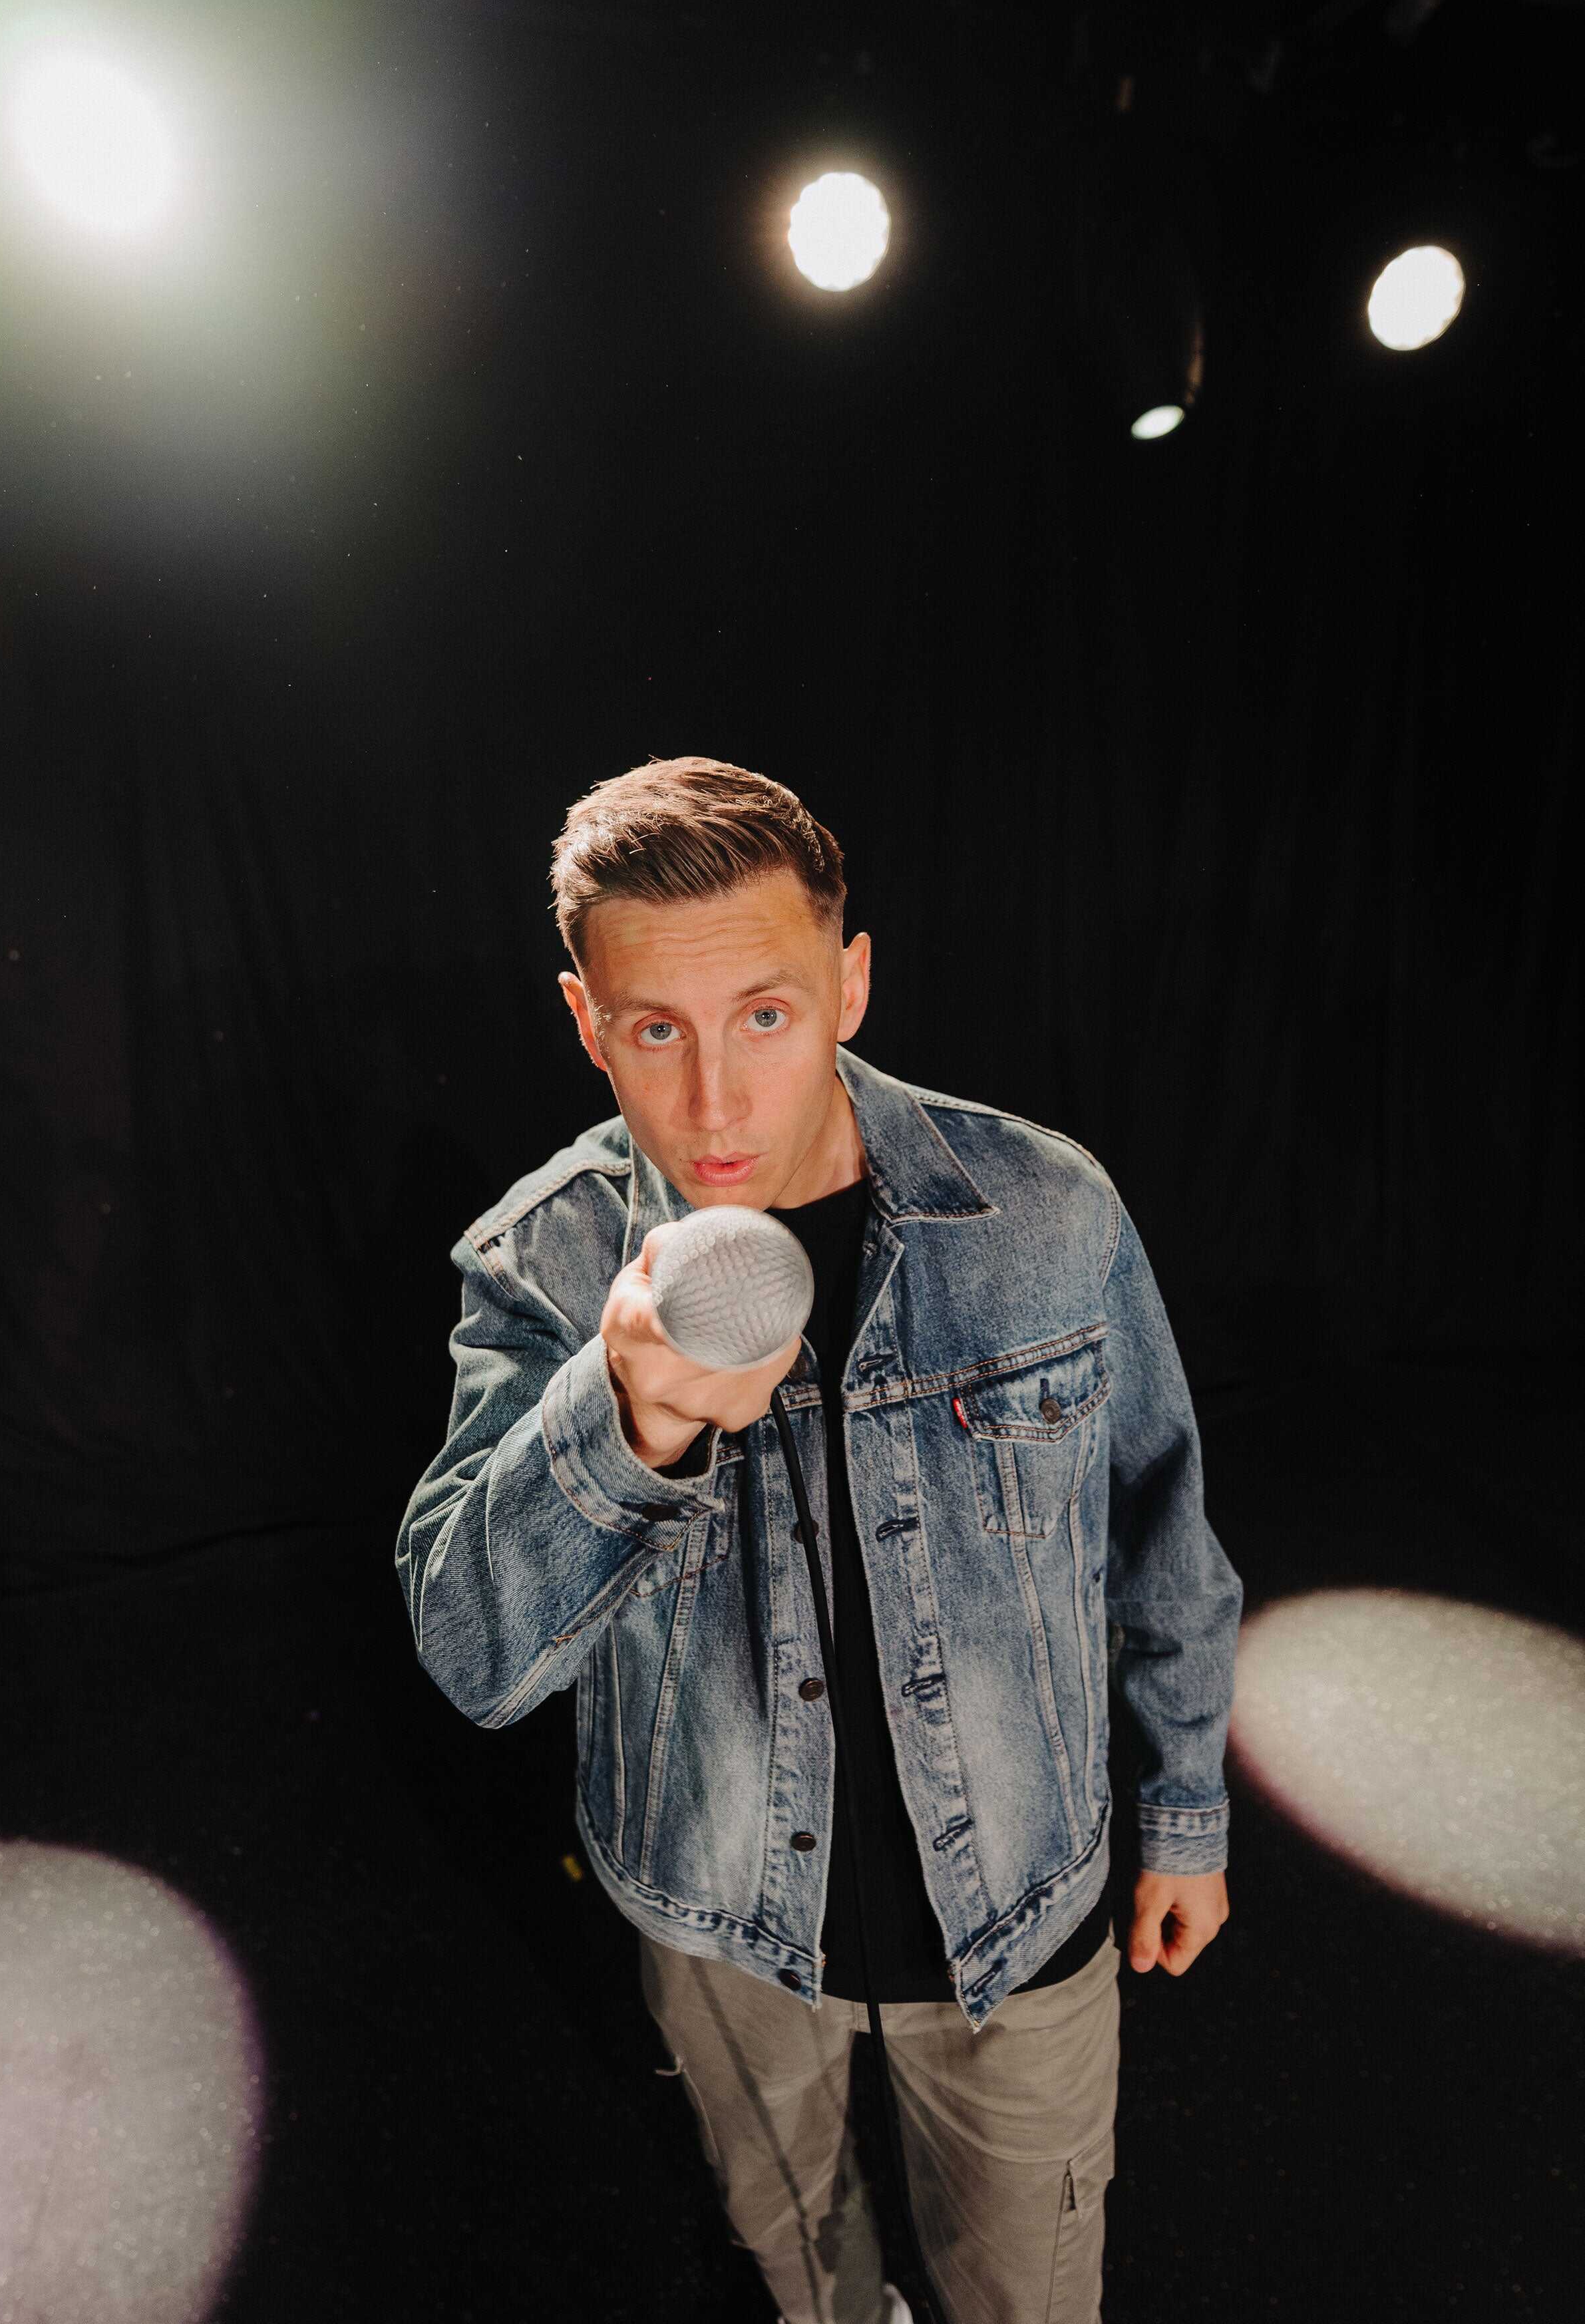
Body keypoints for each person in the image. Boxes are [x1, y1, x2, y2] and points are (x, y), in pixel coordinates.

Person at [395, 754, 1243, 2324]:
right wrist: (624, 1413)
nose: (715, 1103)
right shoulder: (544, 1260)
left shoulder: (1046, 1208)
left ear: (850, 985)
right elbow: (474, 1656)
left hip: (1021, 1911)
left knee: (1029, 2290)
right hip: (719, 1922)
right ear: (587, 1020)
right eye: (656, 1029)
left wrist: (1182, 1811)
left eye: (766, 1015)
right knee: (802, 2266)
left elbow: (1162, 1524)